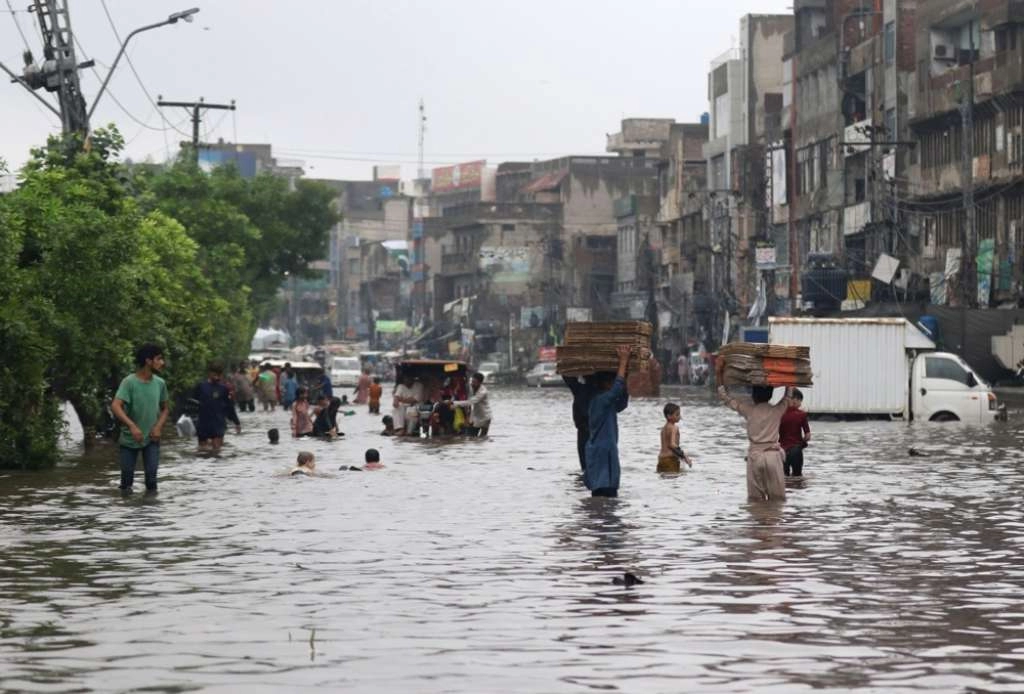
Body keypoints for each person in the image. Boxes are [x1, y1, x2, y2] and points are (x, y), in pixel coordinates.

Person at [715, 360, 792, 502]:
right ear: (770, 395)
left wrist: (719, 373)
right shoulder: (777, 410)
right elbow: (788, 396)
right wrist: (789, 376)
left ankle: (758, 522)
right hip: (773, 456)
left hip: (755, 457)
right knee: (778, 501)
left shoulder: (748, 410)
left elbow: (725, 397)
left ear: (753, 396)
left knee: (755, 502)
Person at [111, 343, 170, 494]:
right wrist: (131, 425)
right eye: (159, 359)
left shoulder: (160, 383)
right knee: (126, 482)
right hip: (130, 438)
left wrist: (158, 427)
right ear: (148, 361)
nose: (162, 363)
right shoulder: (129, 382)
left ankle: (149, 513)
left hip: (152, 438)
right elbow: (116, 406)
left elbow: (165, 409)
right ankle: (128, 515)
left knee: (151, 480)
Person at [583, 346, 632, 498]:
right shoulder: (600, 400)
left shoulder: (607, 403)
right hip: (600, 453)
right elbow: (616, 390)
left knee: (609, 496)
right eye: (611, 381)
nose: (614, 383)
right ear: (604, 383)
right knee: (602, 494)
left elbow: (622, 402)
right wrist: (623, 362)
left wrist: (625, 375)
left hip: (606, 452)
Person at [191, 360, 241, 453]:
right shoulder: (201, 386)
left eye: (219, 374)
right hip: (203, 423)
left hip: (218, 423)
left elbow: (230, 407)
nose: (216, 376)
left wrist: (236, 422)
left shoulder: (224, 388)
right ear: (209, 373)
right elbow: (193, 402)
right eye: (214, 373)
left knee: (216, 450)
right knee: (202, 451)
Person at [563, 375, 598, 472]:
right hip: (594, 430)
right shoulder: (604, 393)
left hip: (586, 429)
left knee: (586, 467)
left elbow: (568, 378)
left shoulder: (580, 390)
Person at [779, 388, 811, 477]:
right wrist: (802, 443)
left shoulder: (779, 414)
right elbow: (808, 436)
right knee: (797, 477)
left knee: (783, 477)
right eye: (800, 401)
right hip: (796, 450)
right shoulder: (802, 415)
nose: (800, 404)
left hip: (782, 451)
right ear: (795, 400)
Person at [452, 372, 492, 436]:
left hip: (485, 417)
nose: (472, 383)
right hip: (475, 417)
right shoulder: (471, 388)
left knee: (482, 438)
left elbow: (470, 402)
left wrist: (454, 403)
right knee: (471, 437)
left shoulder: (483, 392)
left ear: (480, 383)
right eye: (471, 381)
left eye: (474, 382)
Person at [657, 403, 693, 473]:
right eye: (677, 414)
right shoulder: (674, 427)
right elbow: (672, 444)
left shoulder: (663, 429)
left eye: (679, 414)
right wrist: (685, 457)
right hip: (670, 459)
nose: (679, 416)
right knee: (674, 480)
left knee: (664, 481)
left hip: (661, 459)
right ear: (669, 416)